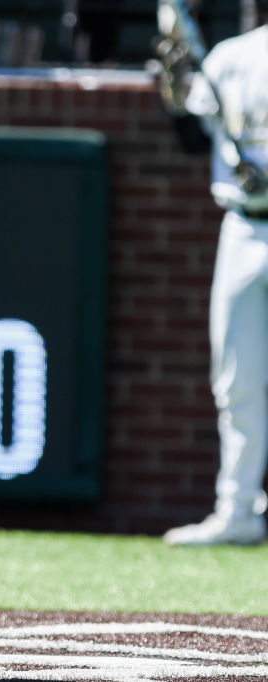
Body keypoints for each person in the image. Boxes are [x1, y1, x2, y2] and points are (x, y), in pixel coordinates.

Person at [156, 6, 268, 545]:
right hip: (245, 226)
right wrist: (175, 95)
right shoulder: (232, 55)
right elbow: (195, 138)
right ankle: (238, 508)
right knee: (237, 375)